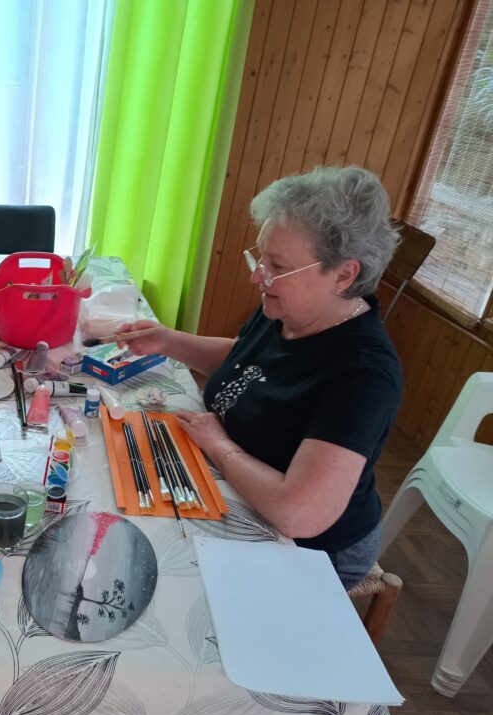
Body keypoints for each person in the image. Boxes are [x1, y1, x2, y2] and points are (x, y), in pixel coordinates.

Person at [120, 166, 403, 588]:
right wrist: (168, 341)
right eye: (260, 257)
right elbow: (248, 363)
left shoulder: (363, 375)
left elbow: (298, 512)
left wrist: (220, 446)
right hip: (241, 490)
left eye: (277, 265)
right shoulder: (290, 307)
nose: (258, 275)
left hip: (313, 549)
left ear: (343, 275)